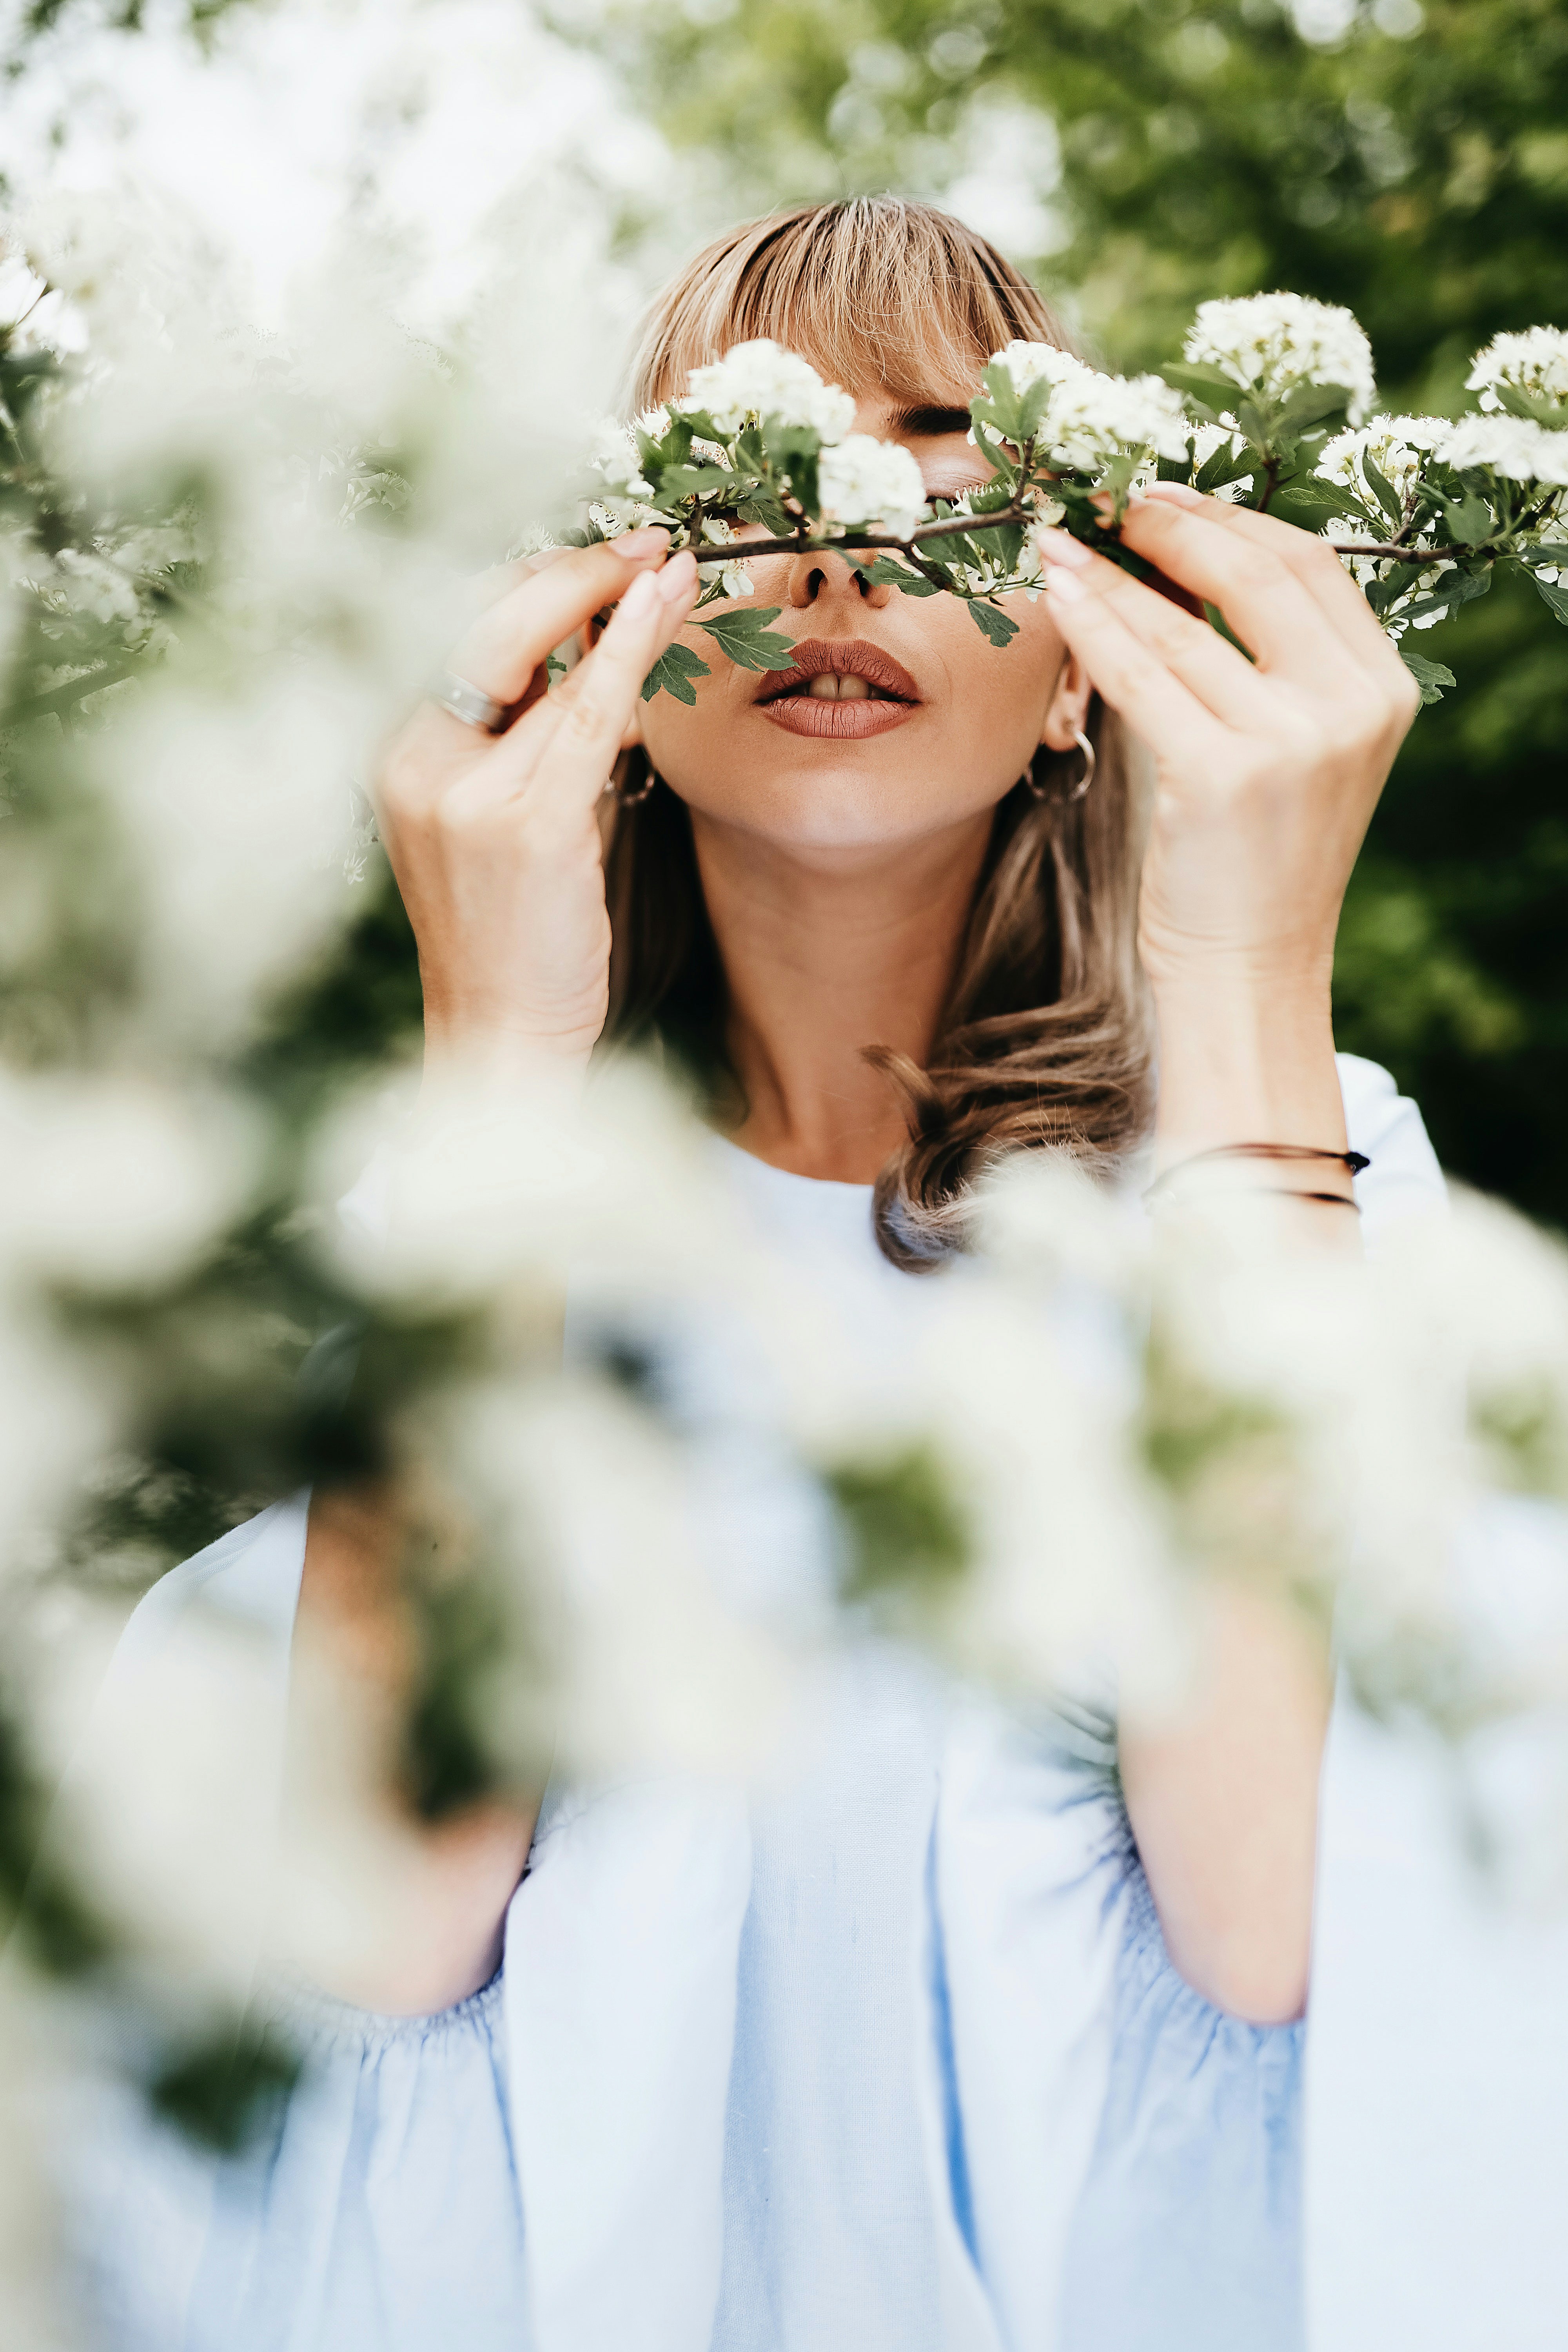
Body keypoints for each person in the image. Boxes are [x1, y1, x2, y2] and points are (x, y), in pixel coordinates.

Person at [83, 198, 1444, 2352]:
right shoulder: (473, 1223)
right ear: (611, 624)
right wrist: (495, 1055)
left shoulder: (1304, 1165)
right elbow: (376, 1934)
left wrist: (1249, 965)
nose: (840, 550)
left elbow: (1289, 1933)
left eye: (942, 464)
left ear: (1088, 644)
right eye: (751, 465)